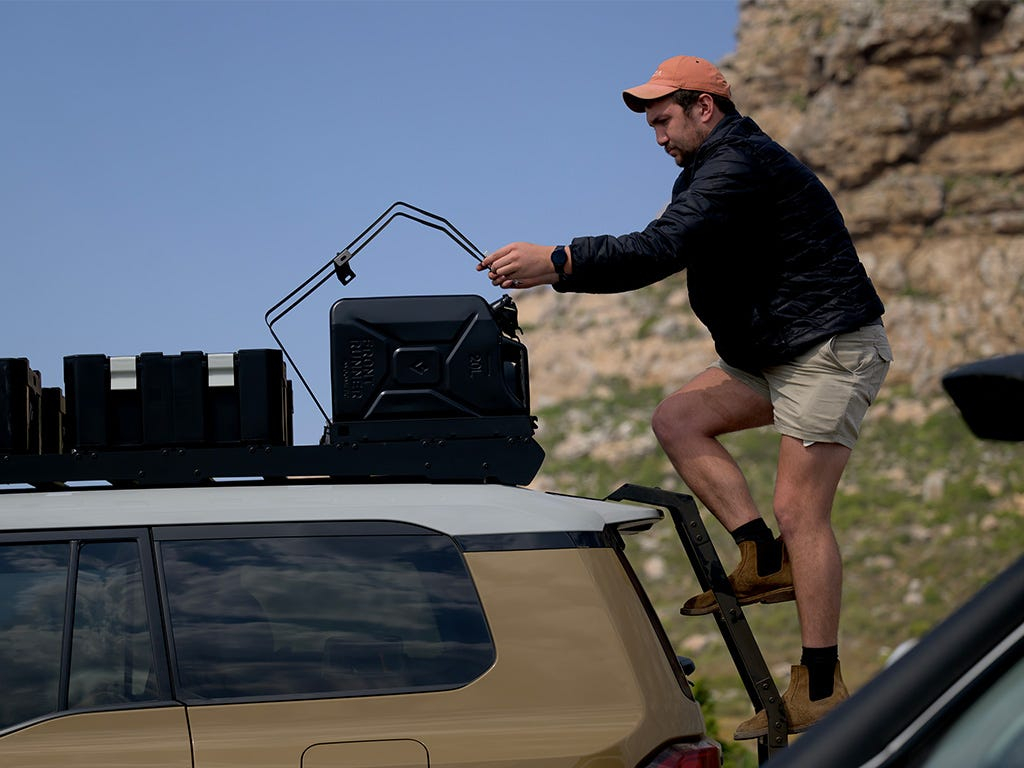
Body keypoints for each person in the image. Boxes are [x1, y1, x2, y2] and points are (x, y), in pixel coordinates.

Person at [478, 55, 892, 739]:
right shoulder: (706, 171)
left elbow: (659, 248)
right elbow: (661, 248)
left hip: (829, 348)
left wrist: (556, 262)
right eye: (651, 125)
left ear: (705, 107)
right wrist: (562, 267)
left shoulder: (738, 163)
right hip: (775, 354)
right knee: (678, 418)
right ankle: (762, 560)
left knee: (800, 508)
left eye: (664, 119)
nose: (659, 136)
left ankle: (821, 685)